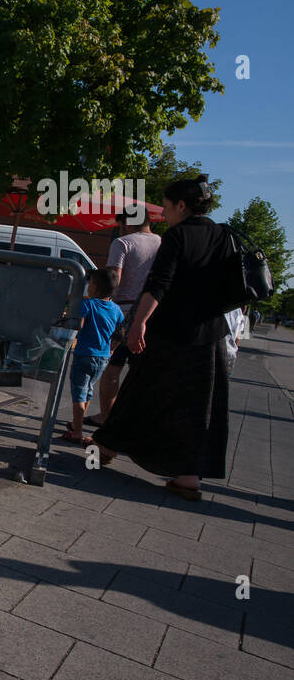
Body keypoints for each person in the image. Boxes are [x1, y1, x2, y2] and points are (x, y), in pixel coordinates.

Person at [92, 175, 231, 501]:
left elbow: (160, 284)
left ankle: (104, 447)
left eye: (167, 207)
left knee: (141, 387)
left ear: (181, 205)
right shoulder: (223, 236)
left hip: (170, 330)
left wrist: (139, 322)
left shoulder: (177, 235)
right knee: (198, 405)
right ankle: (188, 477)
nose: (165, 215)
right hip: (210, 335)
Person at [91, 212, 161, 424]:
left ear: (128, 223)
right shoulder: (164, 244)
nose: (119, 229)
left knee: (112, 368)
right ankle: (137, 420)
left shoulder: (122, 243)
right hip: (153, 312)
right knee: (142, 372)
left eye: (120, 225)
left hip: (123, 311)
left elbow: (114, 279)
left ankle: (106, 416)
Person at [63, 269, 123, 445]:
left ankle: (77, 432)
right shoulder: (116, 310)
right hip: (103, 357)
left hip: (84, 354)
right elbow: (120, 334)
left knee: (78, 393)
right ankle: (76, 423)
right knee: (88, 390)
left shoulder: (88, 305)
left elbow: (78, 325)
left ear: (95, 287)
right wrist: (112, 349)